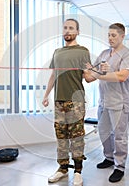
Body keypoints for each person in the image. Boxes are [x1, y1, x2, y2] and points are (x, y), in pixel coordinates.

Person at [42, 18, 93, 186]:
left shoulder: (83, 51)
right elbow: (53, 76)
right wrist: (46, 95)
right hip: (59, 102)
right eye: (65, 28)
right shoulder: (57, 52)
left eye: (71, 28)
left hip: (76, 102)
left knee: (77, 138)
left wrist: (98, 73)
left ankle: (78, 171)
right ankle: (62, 169)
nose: (67, 31)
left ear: (77, 32)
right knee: (61, 137)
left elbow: (88, 77)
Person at [85, 23, 129, 183]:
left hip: (120, 103)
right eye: (109, 35)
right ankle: (108, 158)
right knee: (103, 132)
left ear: (122, 36)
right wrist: (84, 70)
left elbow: (122, 76)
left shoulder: (128, 55)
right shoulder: (103, 54)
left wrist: (100, 74)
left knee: (119, 137)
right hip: (104, 102)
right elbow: (89, 77)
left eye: (114, 35)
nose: (110, 38)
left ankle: (119, 166)